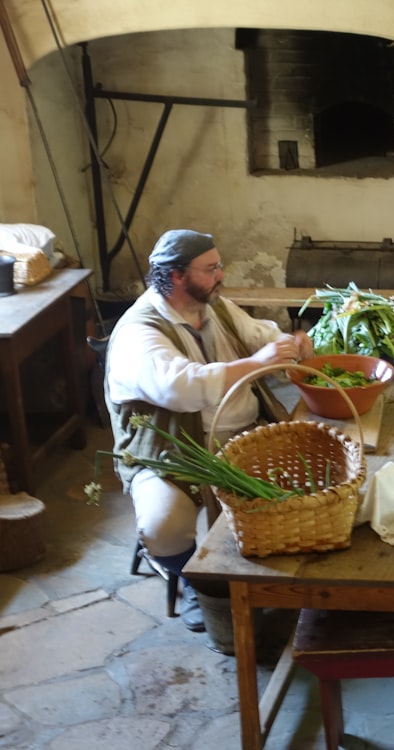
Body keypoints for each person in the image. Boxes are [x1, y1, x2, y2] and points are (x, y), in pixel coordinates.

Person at [104, 229, 312, 642]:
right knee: (162, 524)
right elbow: (181, 388)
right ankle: (195, 583)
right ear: (178, 276)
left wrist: (290, 344)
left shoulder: (214, 308)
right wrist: (256, 363)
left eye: (219, 265)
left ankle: (277, 575)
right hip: (175, 450)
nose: (221, 274)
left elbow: (259, 335)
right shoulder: (139, 332)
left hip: (245, 434)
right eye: (211, 268)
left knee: (308, 487)